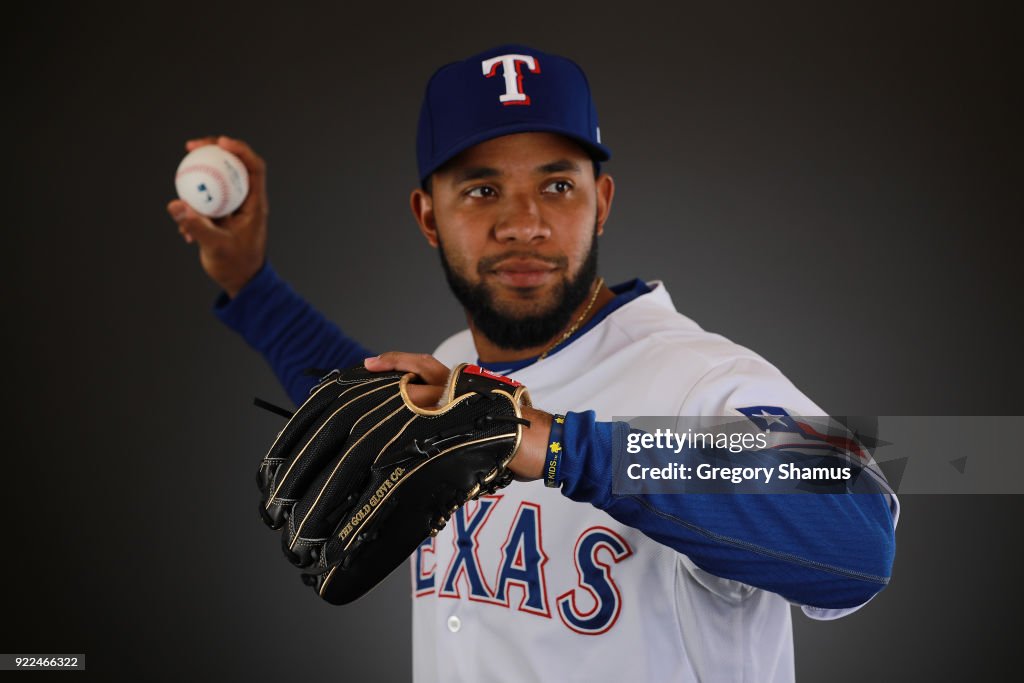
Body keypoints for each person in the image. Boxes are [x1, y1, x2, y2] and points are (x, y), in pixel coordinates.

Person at [167, 44, 897, 682]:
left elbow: (858, 536)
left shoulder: (696, 379)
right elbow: (356, 406)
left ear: (600, 201)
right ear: (428, 215)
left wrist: (548, 442)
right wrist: (250, 284)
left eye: (557, 184)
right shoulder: (456, 370)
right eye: (483, 189)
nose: (524, 223)